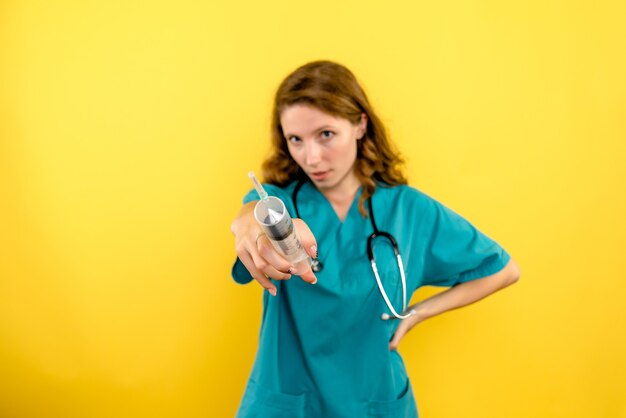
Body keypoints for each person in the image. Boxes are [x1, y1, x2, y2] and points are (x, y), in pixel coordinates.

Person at [230, 60, 520, 418]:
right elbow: (251, 219)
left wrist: (415, 313)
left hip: (373, 400)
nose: (312, 157)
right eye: (296, 140)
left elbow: (503, 269)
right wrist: (249, 226)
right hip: (289, 401)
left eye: (325, 134)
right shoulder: (279, 204)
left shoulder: (409, 210)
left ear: (359, 124)